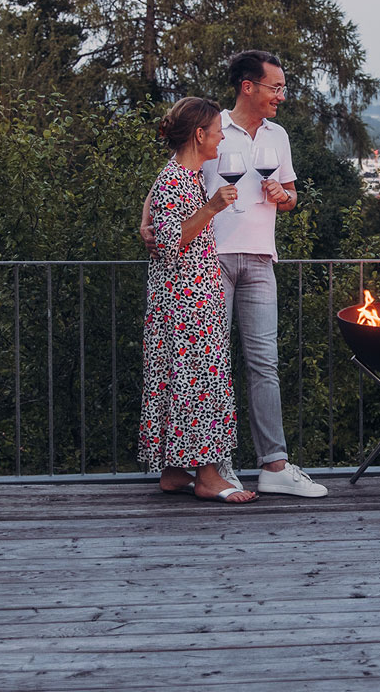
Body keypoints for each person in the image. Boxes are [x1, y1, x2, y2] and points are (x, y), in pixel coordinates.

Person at [143, 51, 327, 497]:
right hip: (212, 260)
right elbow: (167, 180)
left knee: (263, 364)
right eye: (275, 87)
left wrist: (283, 196)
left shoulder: (277, 136)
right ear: (250, 86)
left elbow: (292, 197)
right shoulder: (212, 127)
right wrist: (145, 223)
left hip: (261, 257)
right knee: (206, 366)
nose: (281, 95)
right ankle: (214, 470)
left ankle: (274, 465)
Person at [140, 96, 257, 504]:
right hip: (186, 300)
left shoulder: (184, 174)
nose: (223, 136)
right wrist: (211, 208)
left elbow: (157, 195)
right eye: (218, 130)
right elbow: (171, 242)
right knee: (200, 381)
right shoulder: (178, 180)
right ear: (199, 134)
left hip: (190, 295)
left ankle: (174, 472)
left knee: (182, 380)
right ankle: (207, 476)